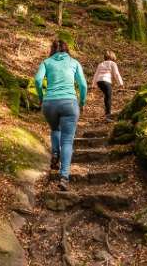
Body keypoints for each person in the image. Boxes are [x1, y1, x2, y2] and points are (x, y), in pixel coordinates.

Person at [34, 39, 87, 191]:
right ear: (66, 49)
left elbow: (38, 80)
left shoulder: (46, 62)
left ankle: (55, 153)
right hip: (69, 103)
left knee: (55, 129)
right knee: (68, 141)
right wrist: (82, 102)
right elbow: (83, 85)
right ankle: (64, 177)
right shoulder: (74, 62)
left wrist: (41, 97)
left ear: (52, 49)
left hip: (49, 103)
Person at [91, 50, 124, 121]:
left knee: (107, 96)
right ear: (112, 57)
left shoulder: (100, 64)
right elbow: (116, 74)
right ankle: (108, 115)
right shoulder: (112, 63)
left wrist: (93, 85)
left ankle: (107, 113)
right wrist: (120, 83)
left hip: (99, 82)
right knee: (109, 97)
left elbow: (96, 74)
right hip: (106, 81)